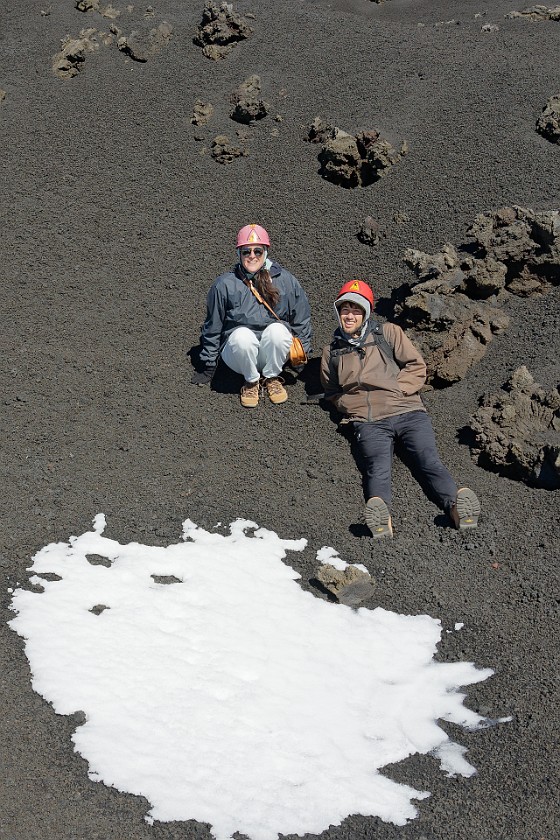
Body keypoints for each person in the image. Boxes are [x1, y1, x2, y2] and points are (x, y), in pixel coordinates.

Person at [320, 279, 480, 538]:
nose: (349, 315)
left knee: (429, 461)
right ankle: (382, 521)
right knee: (377, 467)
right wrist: (352, 406)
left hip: (408, 412)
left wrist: (398, 390)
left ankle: (457, 511)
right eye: (344, 309)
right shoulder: (332, 352)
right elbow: (331, 392)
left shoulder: (388, 333)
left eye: (356, 309)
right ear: (338, 312)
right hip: (369, 421)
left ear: (367, 312)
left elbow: (416, 366)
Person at [191, 224, 312, 407]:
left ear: (266, 252)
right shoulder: (224, 285)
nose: (252, 256)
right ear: (239, 253)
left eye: (258, 251)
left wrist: (301, 357)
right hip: (239, 355)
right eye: (246, 252)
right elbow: (213, 325)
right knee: (241, 335)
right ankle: (251, 381)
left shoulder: (286, 280)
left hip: (274, 354)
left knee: (278, 330)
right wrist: (209, 364)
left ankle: (272, 377)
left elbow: (301, 319)